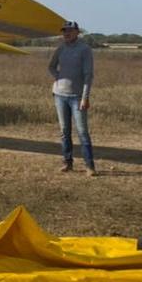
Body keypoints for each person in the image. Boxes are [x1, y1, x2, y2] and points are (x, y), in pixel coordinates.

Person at [48, 20, 96, 176]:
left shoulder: (84, 49)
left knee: (82, 131)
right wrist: (58, 77)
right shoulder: (61, 48)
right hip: (60, 95)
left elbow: (88, 75)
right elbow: (51, 66)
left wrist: (85, 97)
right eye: (64, 31)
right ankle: (68, 163)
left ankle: (90, 166)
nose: (66, 33)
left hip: (77, 97)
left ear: (77, 32)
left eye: (69, 30)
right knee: (64, 131)